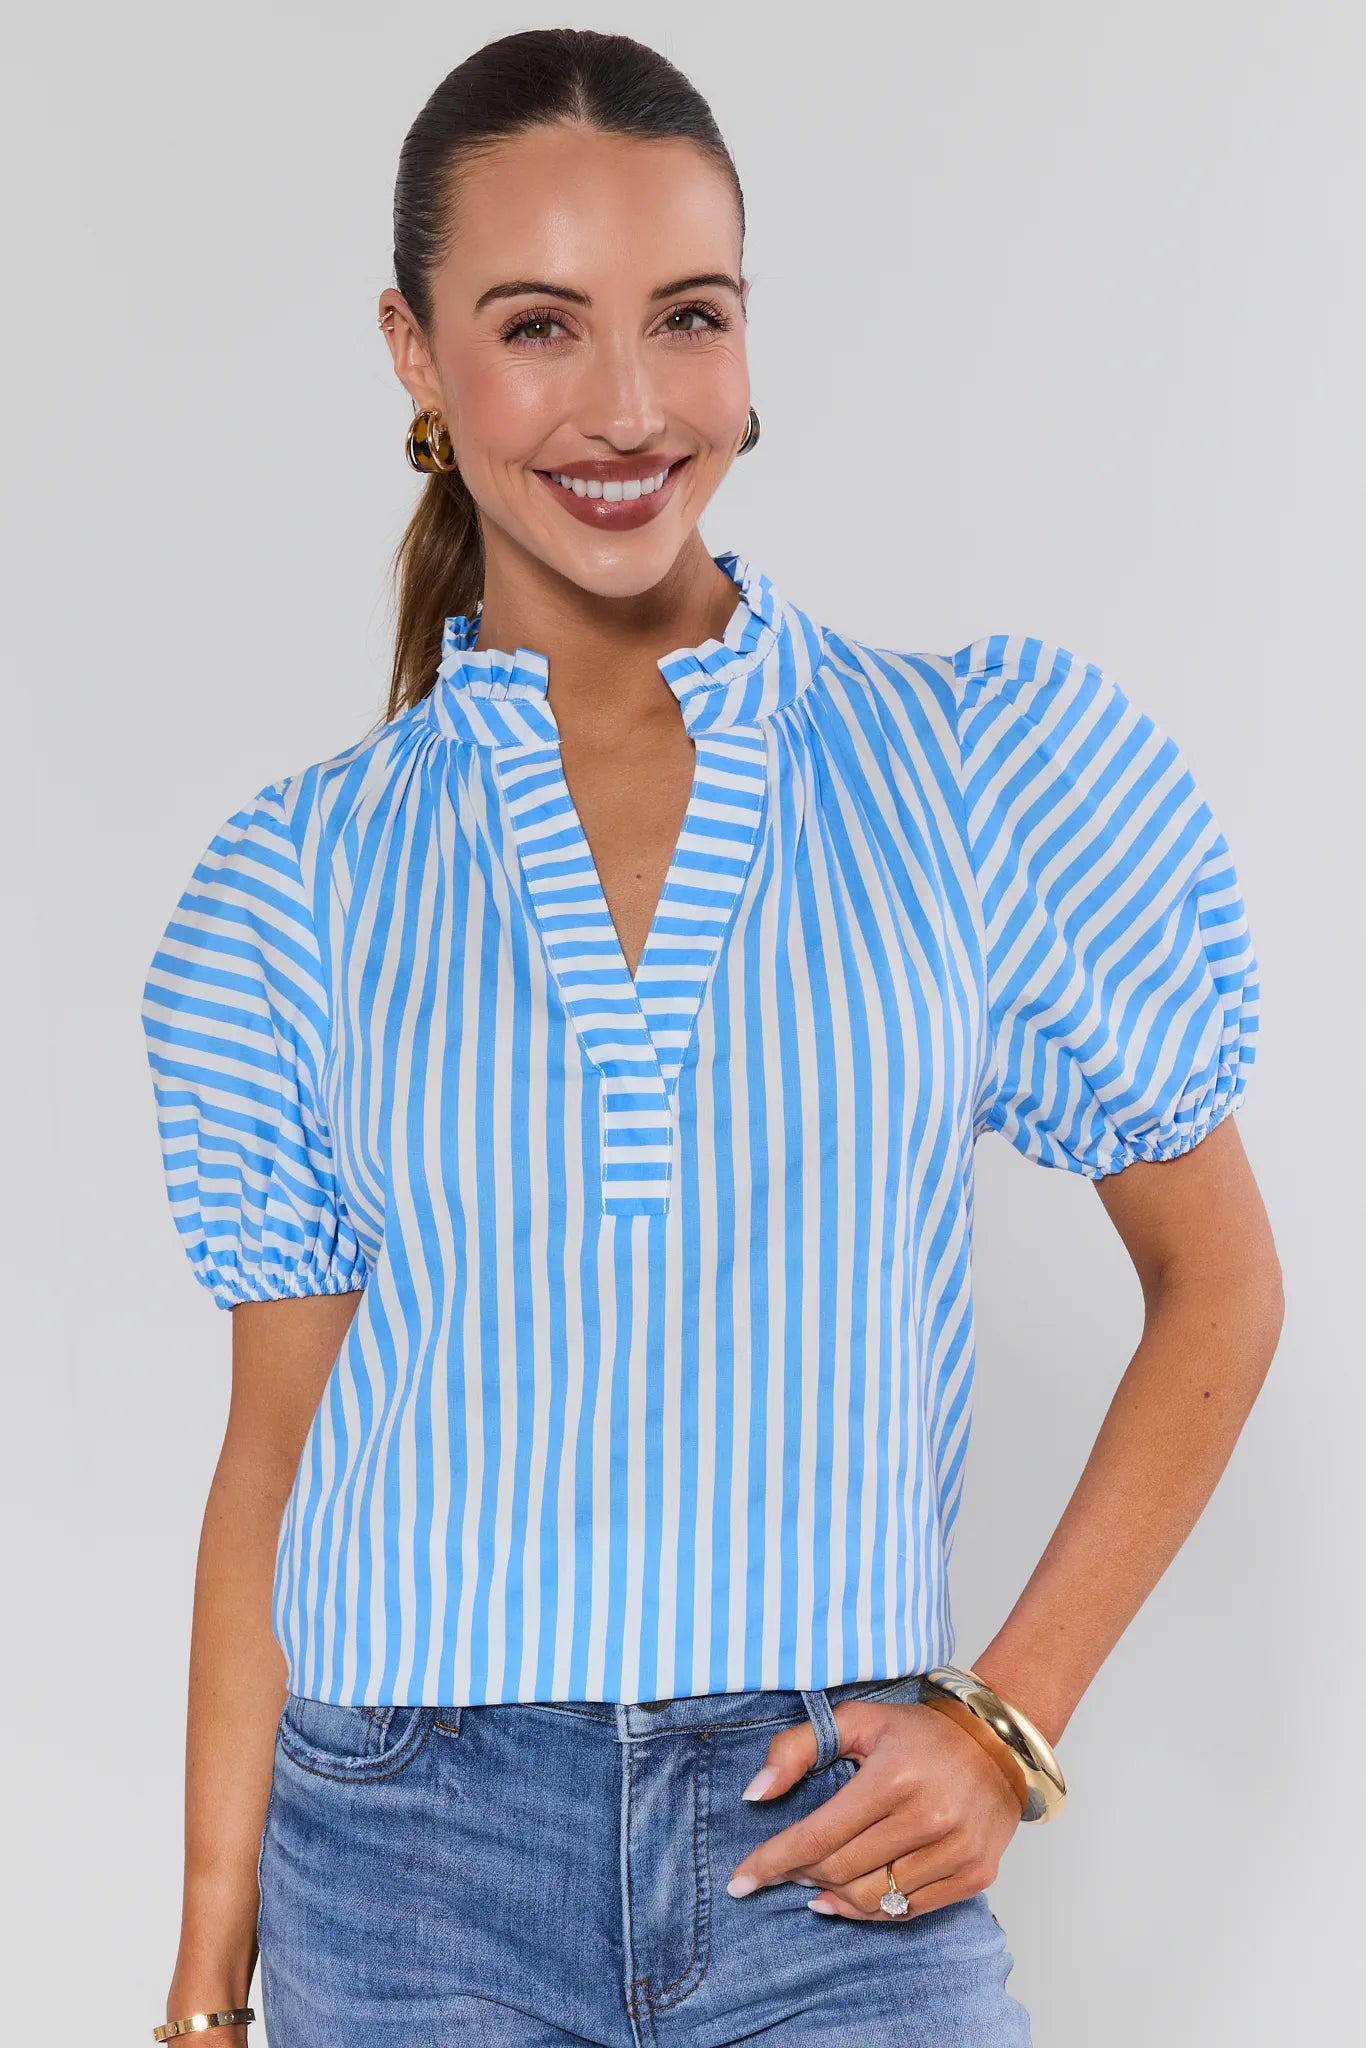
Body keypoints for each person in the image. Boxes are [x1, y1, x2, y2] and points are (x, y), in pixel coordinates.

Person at [138, 26, 1282, 2048]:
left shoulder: (964, 772)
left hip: (828, 1842)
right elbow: (274, 1456)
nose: (628, 405)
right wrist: (204, 1962)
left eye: (686, 316)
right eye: (537, 327)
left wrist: (1005, 1722)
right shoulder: (299, 880)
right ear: (413, 354)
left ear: (748, 335)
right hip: (408, 1868)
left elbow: (1217, 1285)